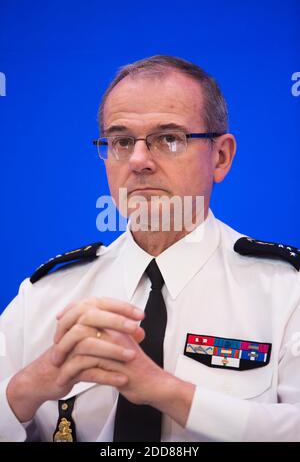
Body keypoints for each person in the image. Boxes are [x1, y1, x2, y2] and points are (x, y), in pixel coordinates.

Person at [1, 55, 300, 443]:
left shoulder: (286, 292)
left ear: (221, 157)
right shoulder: (45, 296)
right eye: (122, 141)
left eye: (169, 139)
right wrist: (27, 389)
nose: (139, 160)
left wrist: (167, 392)